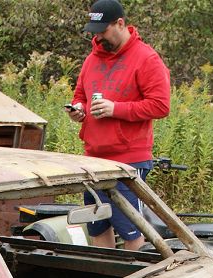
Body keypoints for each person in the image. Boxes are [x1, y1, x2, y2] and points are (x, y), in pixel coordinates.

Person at [68, 0, 171, 250]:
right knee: (98, 225)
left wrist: (116, 109)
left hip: (128, 161)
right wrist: (78, 109)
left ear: (121, 24)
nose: (98, 36)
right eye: (95, 31)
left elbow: (160, 105)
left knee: (131, 230)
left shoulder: (146, 58)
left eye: (103, 30)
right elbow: (80, 94)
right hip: (93, 160)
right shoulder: (92, 60)